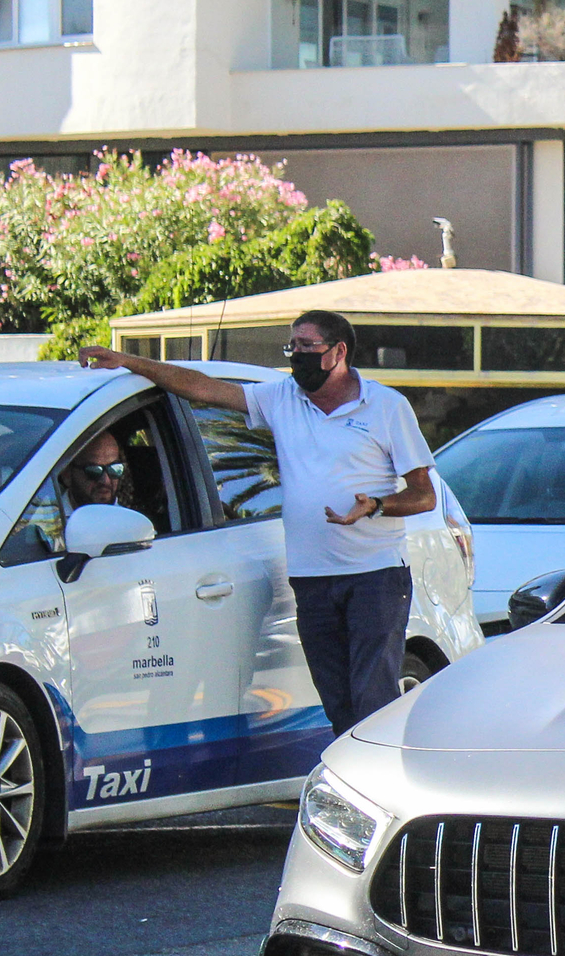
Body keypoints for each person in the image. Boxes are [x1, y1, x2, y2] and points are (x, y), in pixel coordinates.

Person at [79, 311, 440, 737]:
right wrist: (130, 361)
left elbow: (424, 494)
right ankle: (351, 791)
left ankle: (385, 791)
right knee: (338, 703)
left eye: (307, 347)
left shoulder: (386, 406)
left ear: (338, 352)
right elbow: (203, 388)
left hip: (375, 576)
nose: (296, 356)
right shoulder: (283, 397)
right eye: (292, 347)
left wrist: (377, 504)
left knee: (372, 699)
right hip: (312, 577)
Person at [60, 430, 128, 508]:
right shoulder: (45, 515)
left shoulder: (130, 519)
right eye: (94, 471)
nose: (106, 481)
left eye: (114, 469)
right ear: (66, 475)